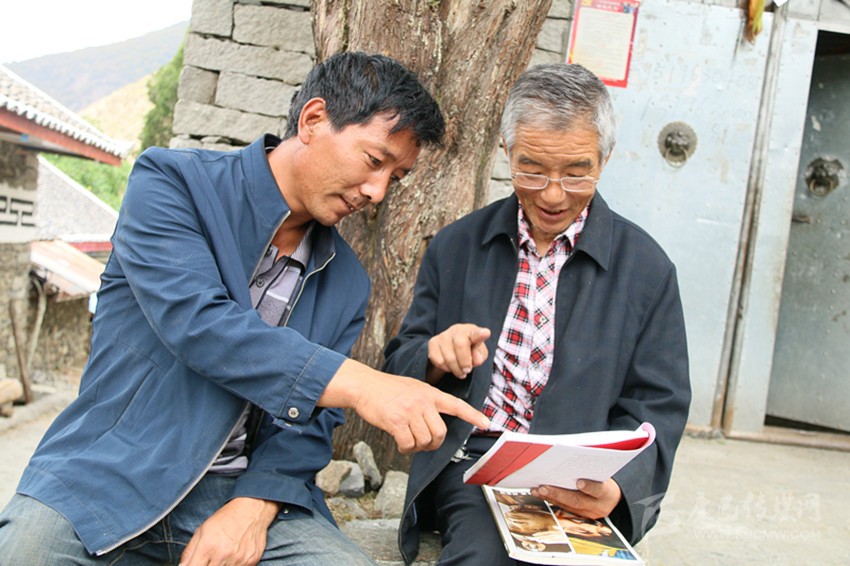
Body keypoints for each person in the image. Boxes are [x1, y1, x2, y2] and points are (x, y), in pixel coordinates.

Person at [0, 51, 489, 565]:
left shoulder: (346, 281)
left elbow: (313, 422)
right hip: (108, 470)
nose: (378, 191)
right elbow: (200, 325)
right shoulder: (171, 184)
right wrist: (365, 385)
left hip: (240, 489)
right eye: (373, 161)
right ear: (313, 120)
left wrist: (254, 507)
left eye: (396, 176)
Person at [382, 62, 691, 565]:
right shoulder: (457, 246)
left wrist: (618, 487)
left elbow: (659, 404)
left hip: (581, 479)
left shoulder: (647, 270)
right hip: (478, 465)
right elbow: (399, 366)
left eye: (576, 172)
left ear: (605, 159)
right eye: (532, 169)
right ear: (507, 152)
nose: (552, 194)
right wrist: (435, 357)